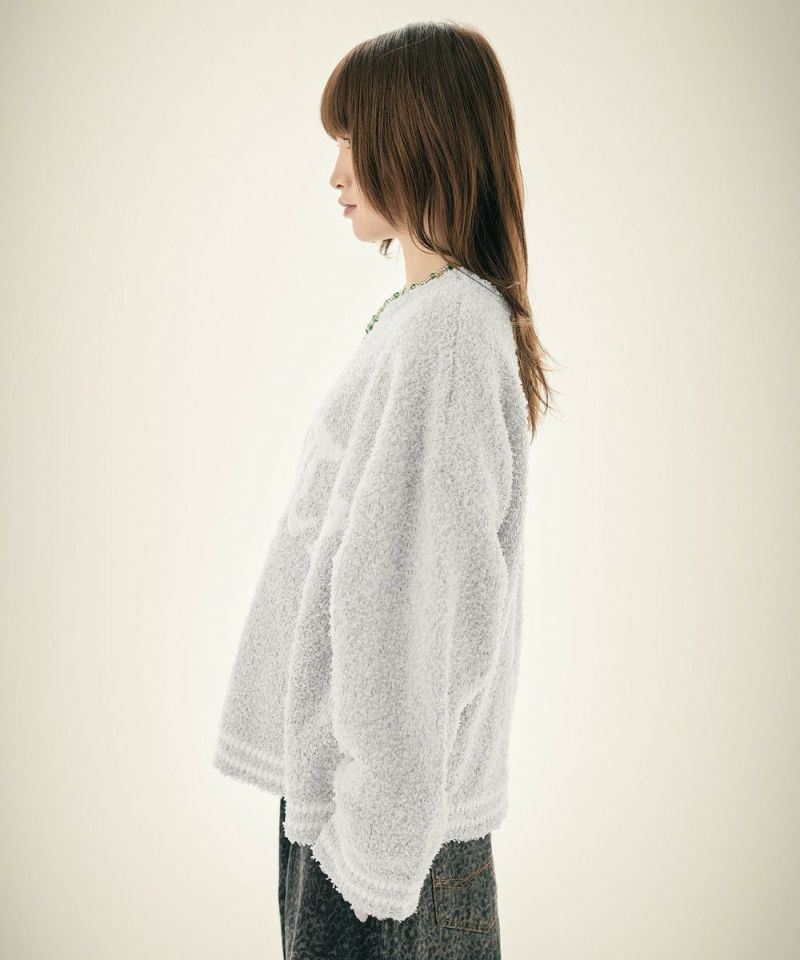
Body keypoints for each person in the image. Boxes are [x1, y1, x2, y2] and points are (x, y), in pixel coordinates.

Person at [214, 18, 553, 959]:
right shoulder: (432, 321)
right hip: (367, 811)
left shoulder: (447, 334)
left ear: (419, 139)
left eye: (353, 142)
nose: (335, 174)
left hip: (382, 844)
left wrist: (374, 839)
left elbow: (420, 606)